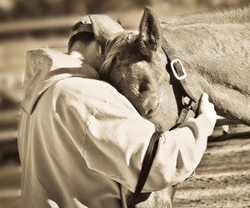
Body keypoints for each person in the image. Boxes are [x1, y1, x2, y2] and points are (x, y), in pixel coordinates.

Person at [17, 20, 217, 208]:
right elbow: (155, 164)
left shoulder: (37, 99)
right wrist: (202, 124)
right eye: (118, 50)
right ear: (103, 47)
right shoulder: (85, 92)